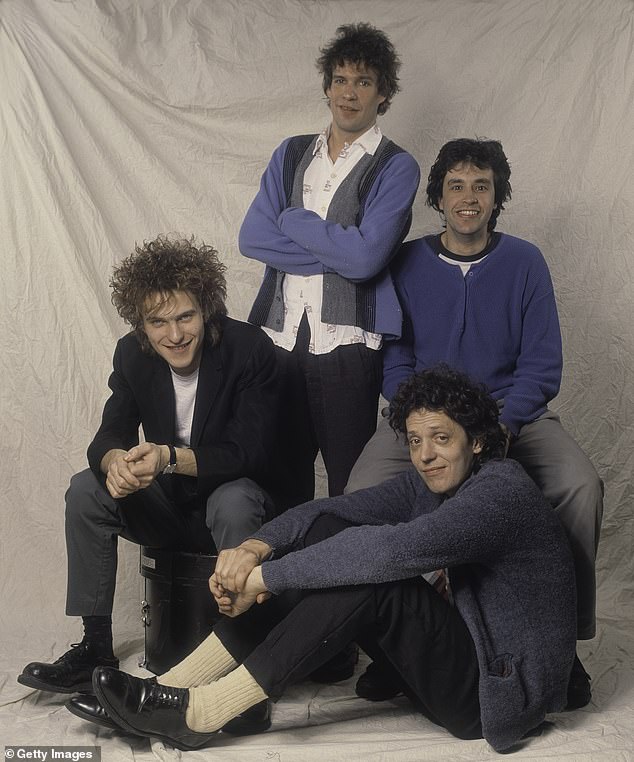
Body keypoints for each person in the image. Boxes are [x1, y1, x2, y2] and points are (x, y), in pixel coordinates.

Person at [75, 366, 577, 753]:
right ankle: (170, 684)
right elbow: (328, 511)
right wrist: (257, 546)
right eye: (417, 441)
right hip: (454, 662)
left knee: (375, 575)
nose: (426, 455)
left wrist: (266, 579)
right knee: (334, 530)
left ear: (479, 441)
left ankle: (204, 711)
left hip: (495, 692)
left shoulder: (500, 493)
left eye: (442, 439)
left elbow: (391, 551)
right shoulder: (427, 483)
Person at [345, 138, 603, 706]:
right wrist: (421, 423)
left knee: (580, 485)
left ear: (496, 196)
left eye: (481, 186)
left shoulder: (525, 262)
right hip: (427, 415)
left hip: (513, 415)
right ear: (438, 195)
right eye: (456, 185)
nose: (468, 197)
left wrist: (501, 427)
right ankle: (393, 648)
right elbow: (396, 360)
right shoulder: (407, 261)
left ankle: (565, 646)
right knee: (360, 492)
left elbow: (542, 364)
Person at [18, 235, 306, 707]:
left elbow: (250, 453)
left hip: (240, 508)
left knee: (232, 497)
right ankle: (94, 648)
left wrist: (169, 457)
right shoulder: (133, 355)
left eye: (185, 317)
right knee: (86, 489)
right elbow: (108, 435)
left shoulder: (248, 348)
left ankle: (239, 656)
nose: (174, 335)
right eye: (158, 322)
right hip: (171, 511)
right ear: (141, 326)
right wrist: (115, 463)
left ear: (206, 310)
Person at [239, 22, 420, 499]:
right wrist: (346, 250)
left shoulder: (396, 166)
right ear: (326, 87)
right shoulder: (292, 152)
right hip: (279, 337)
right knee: (280, 483)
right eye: (340, 79)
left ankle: (342, 576)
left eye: (364, 82)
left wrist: (295, 221)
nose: (350, 92)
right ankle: (283, 576)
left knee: (349, 488)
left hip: (348, 345)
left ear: (383, 94)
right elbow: (253, 237)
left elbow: (365, 261)